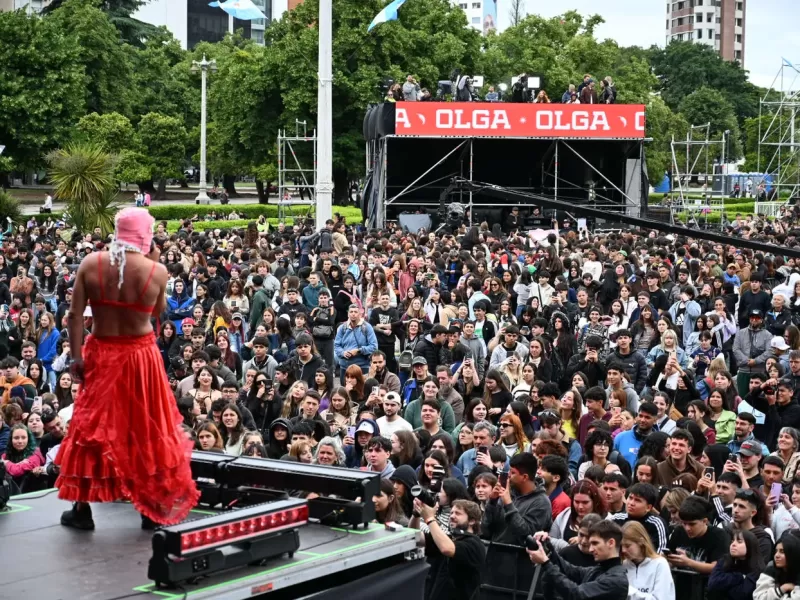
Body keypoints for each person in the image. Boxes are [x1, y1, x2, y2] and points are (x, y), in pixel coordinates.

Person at [54, 208, 199, 529]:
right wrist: (155, 258)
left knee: (92, 425)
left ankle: (82, 509)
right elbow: (158, 311)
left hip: (102, 351)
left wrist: (76, 358)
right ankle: (150, 507)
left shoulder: (91, 264)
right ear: (145, 236)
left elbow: (75, 316)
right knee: (146, 426)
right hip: (140, 356)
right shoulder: (156, 271)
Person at [527, 520, 628, 600]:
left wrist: (546, 563)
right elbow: (569, 570)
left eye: (595, 543)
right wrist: (548, 546)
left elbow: (576, 594)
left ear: (611, 543)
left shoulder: (616, 581)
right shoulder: (600, 570)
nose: (591, 549)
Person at [414, 498, 485, 600]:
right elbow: (416, 538)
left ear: (472, 521)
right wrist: (416, 514)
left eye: (458, 513)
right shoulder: (449, 539)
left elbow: (447, 549)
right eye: (451, 513)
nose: (452, 516)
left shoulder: (474, 544)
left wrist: (430, 518)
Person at [621, 521, 675, 600]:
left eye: (627, 546)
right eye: (621, 546)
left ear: (641, 542)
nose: (623, 550)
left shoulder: (660, 564)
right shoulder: (623, 565)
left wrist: (630, 591)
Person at [706, 530, 765, 600]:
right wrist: (739, 577)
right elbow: (712, 584)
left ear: (750, 545)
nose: (733, 544)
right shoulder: (724, 561)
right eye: (732, 541)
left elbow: (741, 594)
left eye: (739, 542)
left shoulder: (757, 569)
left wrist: (723, 587)